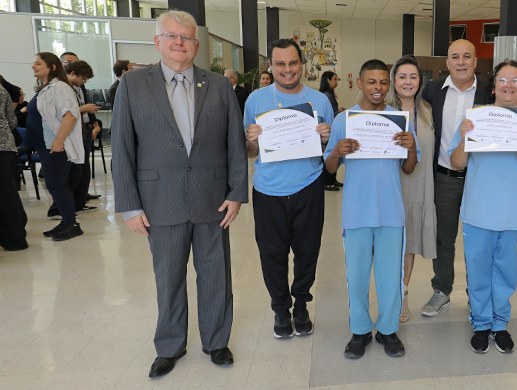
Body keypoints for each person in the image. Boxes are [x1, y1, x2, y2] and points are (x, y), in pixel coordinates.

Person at [111, 10, 248, 378]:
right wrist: (129, 205)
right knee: (168, 277)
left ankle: (216, 341)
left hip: (213, 199)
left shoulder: (218, 85)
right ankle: (170, 346)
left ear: (196, 45)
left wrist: (236, 192)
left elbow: (235, 143)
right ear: (157, 42)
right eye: (171, 36)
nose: (178, 43)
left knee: (216, 274)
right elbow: (121, 147)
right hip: (160, 201)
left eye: (186, 38)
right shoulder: (133, 84)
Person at [449, 60, 517, 354]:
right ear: (494, 86)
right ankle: (480, 322)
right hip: (478, 209)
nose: (509, 85)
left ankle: (500, 323)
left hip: (510, 211)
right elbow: (456, 163)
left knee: (505, 271)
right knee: (478, 269)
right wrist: (466, 137)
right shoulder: (476, 117)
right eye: (503, 79)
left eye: (516, 81)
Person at [324, 59, 418, 359]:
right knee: (358, 275)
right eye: (371, 82)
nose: (377, 88)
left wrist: (411, 146)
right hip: (356, 212)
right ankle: (361, 330)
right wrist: (338, 151)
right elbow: (329, 167)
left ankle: (388, 330)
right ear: (360, 84)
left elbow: (409, 168)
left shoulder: (399, 120)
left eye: (382, 82)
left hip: (391, 211)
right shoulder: (345, 121)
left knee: (391, 275)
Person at [244, 38, 333, 340]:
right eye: (280, 64)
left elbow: (330, 151)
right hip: (268, 191)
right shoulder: (255, 100)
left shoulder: (319, 101)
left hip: (308, 186)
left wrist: (325, 138)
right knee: (273, 255)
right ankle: (281, 309)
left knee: (307, 252)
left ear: (301, 65)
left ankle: (302, 306)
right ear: (270, 65)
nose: (287, 69)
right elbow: (249, 151)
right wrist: (252, 140)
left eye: (293, 63)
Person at [421, 38, 490, 317]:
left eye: (466, 56)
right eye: (455, 57)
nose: (460, 62)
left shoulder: (489, 91)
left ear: (475, 62)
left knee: (479, 238)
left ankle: (478, 294)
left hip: (480, 178)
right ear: (447, 63)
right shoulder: (432, 91)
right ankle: (442, 290)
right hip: (444, 177)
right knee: (443, 237)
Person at [386, 55, 436, 323]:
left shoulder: (428, 110)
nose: (408, 82)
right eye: (402, 76)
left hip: (420, 187)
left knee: (411, 243)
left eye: (413, 76)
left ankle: (404, 293)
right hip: (392, 185)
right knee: (392, 243)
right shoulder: (384, 111)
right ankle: (390, 293)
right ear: (394, 80)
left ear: (420, 81)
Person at [33, 52, 85, 241]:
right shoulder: (46, 88)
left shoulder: (60, 88)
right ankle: (66, 221)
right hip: (47, 144)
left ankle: (71, 224)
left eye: (38, 64)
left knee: (57, 184)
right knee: (54, 184)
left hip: (56, 145)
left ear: (52, 67)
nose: (34, 67)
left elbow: (70, 115)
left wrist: (59, 140)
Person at [64, 60, 101, 213]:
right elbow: (65, 113)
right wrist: (82, 109)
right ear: (73, 73)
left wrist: (94, 123)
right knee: (75, 170)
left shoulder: (78, 87)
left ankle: (80, 201)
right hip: (72, 132)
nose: (84, 82)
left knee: (84, 169)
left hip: (83, 129)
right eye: (83, 78)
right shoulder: (62, 88)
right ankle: (70, 205)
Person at [0, 86, 28, 251]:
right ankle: (16, 234)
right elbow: (12, 121)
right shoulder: (2, 89)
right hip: (7, 148)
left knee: (5, 196)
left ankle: (14, 238)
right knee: (8, 193)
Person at [318, 70, 342, 191]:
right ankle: (327, 181)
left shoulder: (330, 94)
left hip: (333, 128)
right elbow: (329, 114)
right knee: (328, 155)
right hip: (328, 130)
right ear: (328, 80)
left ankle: (333, 180)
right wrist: (340, 112)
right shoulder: (325, 96)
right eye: (335, 79)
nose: (336, 82)